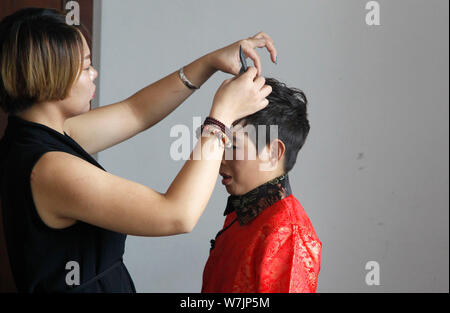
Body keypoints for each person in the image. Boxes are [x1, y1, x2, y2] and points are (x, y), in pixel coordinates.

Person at [0, 7, 277, 293]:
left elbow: (137, 112)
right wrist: (222, 116)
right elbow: (177, 214)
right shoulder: (49, 169)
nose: (94, 74)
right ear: (50, 74)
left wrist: (209, 63)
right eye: (85, 67)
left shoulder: (38, 134)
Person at [201, 78, 322, 293]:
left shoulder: (287, 233)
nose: (219, 157)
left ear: (273, 153)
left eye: (232, 146)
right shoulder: (244, 211)